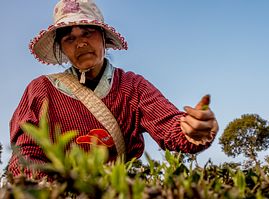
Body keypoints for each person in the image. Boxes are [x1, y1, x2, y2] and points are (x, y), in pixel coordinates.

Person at [8, 0, 219, 179]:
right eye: (69, 38)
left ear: (104, 38)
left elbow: (169, 126)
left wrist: (193, 128)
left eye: (88, 33)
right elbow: (25, 155)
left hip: (117, 188)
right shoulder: (41, 90)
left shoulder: (132, 86)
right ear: (62, 48)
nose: (80, 43)